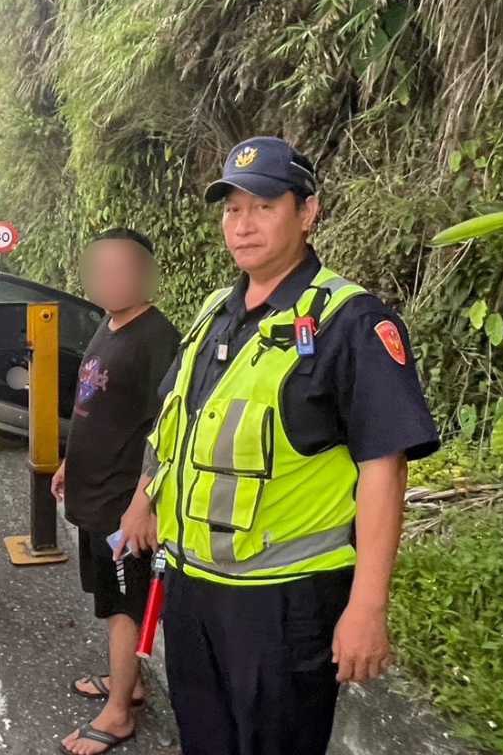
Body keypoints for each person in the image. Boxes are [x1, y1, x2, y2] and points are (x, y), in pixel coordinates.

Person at [116, 137, 440, 755]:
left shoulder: (353, 322)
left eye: (263, 205)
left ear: (308, 211)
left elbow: (383, 467)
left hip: (284, 604)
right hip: (191, 586)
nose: (242, 225)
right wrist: (143, 500)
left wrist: (368, 606)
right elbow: (176, 425)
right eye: (232, 209)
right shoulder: (217, 310)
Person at [53, 228, 181, 755]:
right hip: (94, 491)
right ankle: (129, 681)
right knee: (109, 598)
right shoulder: (109, 324)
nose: (110, 279)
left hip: (123, 502)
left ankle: (119, 713)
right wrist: (68, 460)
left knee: (126, 607)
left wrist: (143, 503)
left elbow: (169, 424)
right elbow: (94, 404)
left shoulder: (158, 338)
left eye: (122, 268)